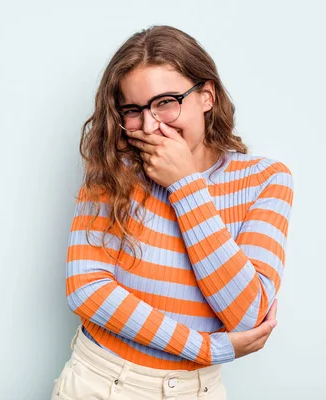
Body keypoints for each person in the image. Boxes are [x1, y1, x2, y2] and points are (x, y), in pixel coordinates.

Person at [52, 25, 294, 400]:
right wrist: (207, 348)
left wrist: (185, 184)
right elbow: (87, 290)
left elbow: (248, 316)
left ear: (206, 97)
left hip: (197, 392)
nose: (150, 126)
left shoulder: (266, 180)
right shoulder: (115, 173)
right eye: (133, 110)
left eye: (166, 101)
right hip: (101, 384)